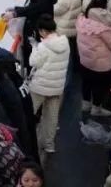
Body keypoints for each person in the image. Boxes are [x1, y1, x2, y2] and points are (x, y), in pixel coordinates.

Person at [26, 16, 69, 159]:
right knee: (51, 117)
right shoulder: (65, 42)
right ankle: (49, 145)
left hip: (40, 87)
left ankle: (26, 142)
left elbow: (33, 62)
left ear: (43, 31)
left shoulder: (44, 46)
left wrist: (34, 47)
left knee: (28, 112)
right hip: (57, 87)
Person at [75, 0, 111, 117]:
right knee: (99, 85)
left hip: (85, 59)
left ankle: (85, 104)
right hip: (100, 63)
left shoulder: (82, 19)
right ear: (105, 7)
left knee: (86, 82)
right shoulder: (103, 27)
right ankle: (96, 109)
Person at [3, 0, 55, 71]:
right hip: (30, 34)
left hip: (37, 38)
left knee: (32, 63)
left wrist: (14, 13)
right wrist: (15, 8)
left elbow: (32, 9)